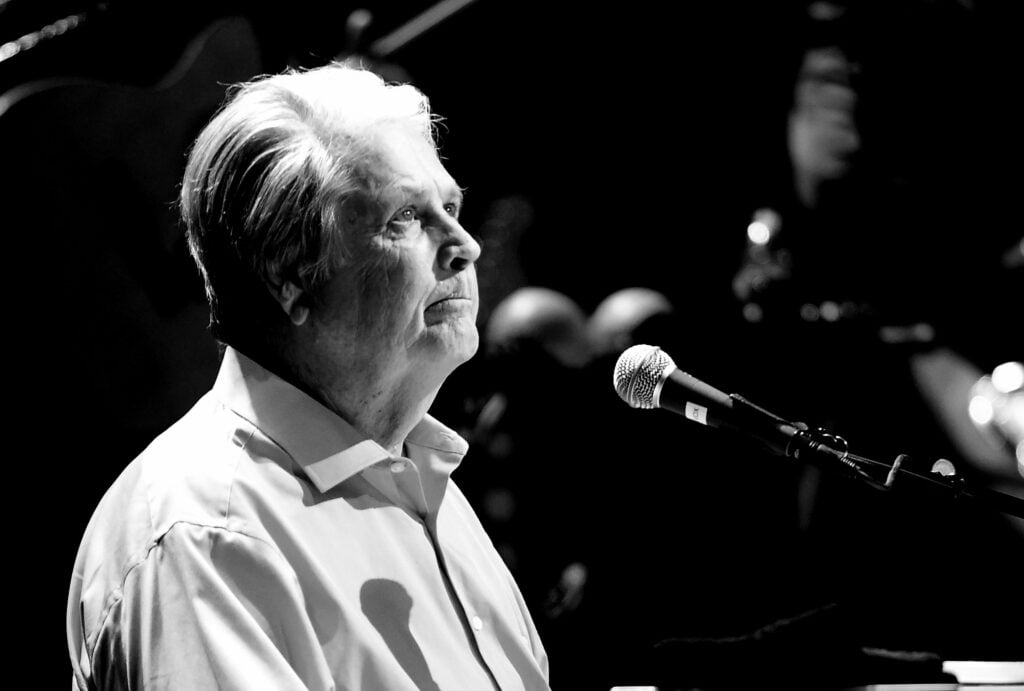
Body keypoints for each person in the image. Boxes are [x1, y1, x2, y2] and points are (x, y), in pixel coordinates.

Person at [67, 63, 550, 690]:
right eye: (405, 216)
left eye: (451, 205)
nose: (464, 244)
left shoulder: (425, 486)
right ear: (289, 274)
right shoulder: (206, 534)